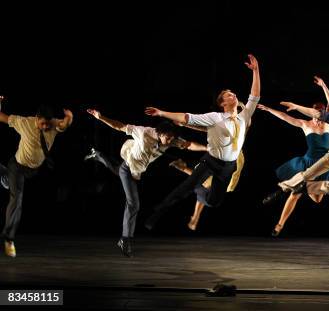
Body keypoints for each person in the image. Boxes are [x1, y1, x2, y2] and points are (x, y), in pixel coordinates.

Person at [143, 54, 260, 229]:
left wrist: (256, 71)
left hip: (229, 166)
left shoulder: (244, 117)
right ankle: (157, 212)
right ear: (222, 103)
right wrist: (162, 113)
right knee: (186, 188)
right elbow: (187, 117)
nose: (233, 95)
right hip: (211, 162)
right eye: (228, 95)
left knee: (214, 202)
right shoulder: (215, 117)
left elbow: (255, 96)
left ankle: (201, 195)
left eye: (233, 93)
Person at [85, 109, 206, 256]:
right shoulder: (143, 132)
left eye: (170, 139)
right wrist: (101, 117)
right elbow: (119, 126)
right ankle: (125, 239)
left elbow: (188, 145)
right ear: (160, 133)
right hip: (128, 168)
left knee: (116, 170)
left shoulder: (170, 140)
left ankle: (97, 155)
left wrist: (207, 148)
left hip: (136, 171)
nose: (169, 141)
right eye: (167, 138)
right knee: (133, 203)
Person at [263, 54, 329, 209]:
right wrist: (295, 107)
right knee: (306, 175)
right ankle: (281, 189)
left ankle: (304, 188)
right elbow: (299, 115)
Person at [259, 76, 329, 236]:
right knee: (295, 194)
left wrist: (323, 85)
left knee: (317, 200)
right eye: (317, 114)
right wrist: (269, 110)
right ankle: (279, 225)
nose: (320, 118)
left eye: (322, 114)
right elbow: (285, 116)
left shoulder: (328, 122)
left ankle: (303, 186)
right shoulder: (305, 124)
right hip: (308, 162)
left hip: (325, 163)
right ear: (313, 113)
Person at [0, 100, 73, 257]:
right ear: (36, 118)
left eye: (47, 124)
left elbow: (65, 124)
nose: (45, 127)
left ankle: (5, 177)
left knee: (13, 190)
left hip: (32, 170)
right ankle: (8, 238)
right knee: (17, 201)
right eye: (42, 124)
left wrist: (69, 117)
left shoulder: (54, 124)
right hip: (17, 167)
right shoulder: (25, 122)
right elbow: (2, 117)